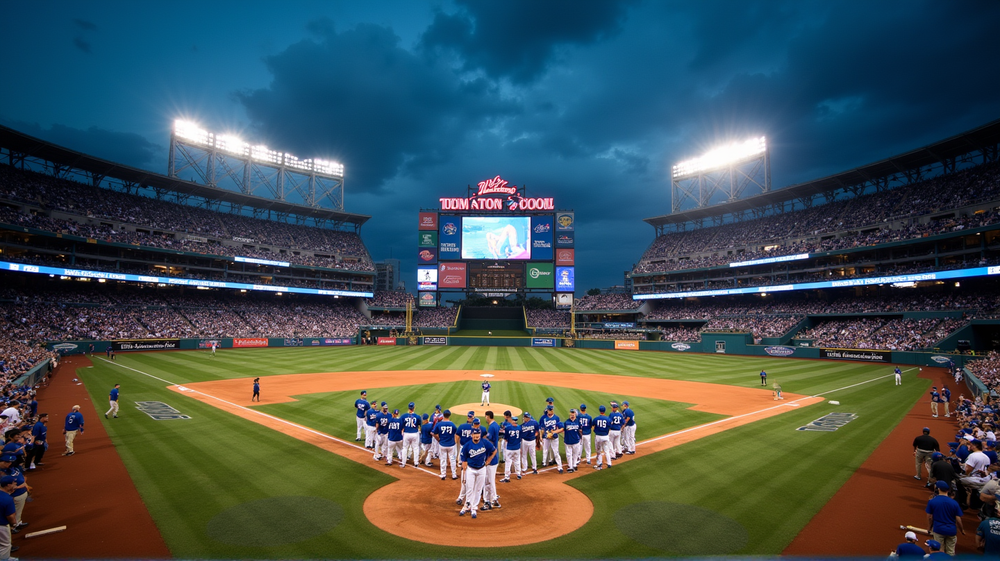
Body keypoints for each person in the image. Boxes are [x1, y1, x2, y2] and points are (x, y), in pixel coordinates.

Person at [457, 427, 497, 519]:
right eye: (474, 435)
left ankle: (474, 507)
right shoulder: (467, 445)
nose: (476, 436)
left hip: (481, 469)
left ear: (480, 435)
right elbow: (463, 460)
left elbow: (494, 450)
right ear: (472, 435)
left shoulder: (485, 442)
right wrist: (464, 473)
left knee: (478, 489)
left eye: (478, 435)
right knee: (469, 488)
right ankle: (466, 506)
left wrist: (489, 459)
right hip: (470, 469)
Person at [926, 480, 965, 556]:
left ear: (938, 489)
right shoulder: (954, 503)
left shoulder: (932, 501)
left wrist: (929, 528)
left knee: (940, 551)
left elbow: (930, 517)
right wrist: (961, 530)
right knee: (950, 552)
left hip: (938, 529)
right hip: (951, 531)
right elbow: (958, 519)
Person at [481, 411, 501, 509]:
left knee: (488, 480)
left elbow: (490, 440)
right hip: (494, 456)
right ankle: (492, 499)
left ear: (488, 416)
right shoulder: (496, 425)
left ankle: (491, 500)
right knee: (489, 480)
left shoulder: (492, 427)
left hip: (491, 457)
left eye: (485, 416)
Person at [434, 410, 458, 480]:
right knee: (452, 459)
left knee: (443, 459)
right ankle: (454, 475)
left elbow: (435, 434)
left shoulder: (439, 424)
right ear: (449, 415)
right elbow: (455, 434)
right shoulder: (452, 424)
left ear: (443, 415)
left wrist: (439, 440)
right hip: (451, 445)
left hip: (442, 445)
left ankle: (443, 474)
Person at [538, 405, 564, 472]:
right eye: (549, 410)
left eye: (551, 410)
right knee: (545, 449)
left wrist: (554, 433)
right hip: (546, 437)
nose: (550, 411)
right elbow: (541, 428)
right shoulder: (543, 418)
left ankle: (560, 466)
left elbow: (559, 427)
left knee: (556, 452)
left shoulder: (556, 418)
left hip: (554, 438)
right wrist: (541, 436)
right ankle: (544, 462)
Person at [500, 414, 522, 482]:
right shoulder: (519, 428)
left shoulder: (508, 428)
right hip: (517, 448)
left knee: (508, 462)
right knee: (517, 461)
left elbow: (506, 438)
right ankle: (518, 474)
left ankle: (507, 477)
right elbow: (520, 438)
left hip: (510, 448)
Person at [0, 475, 16, 561]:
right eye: (13, 483)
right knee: (5, 545)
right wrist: (13, 524)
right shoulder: (7, 499)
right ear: (8, 485)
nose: (15, 484)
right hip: (2, 525)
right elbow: (10, 516)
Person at [400, 402, 421, 468]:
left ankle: (403, 463)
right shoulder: (417, 416)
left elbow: (401, 425)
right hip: (415, 433)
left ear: (408, 408)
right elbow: (420, 425)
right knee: (415, 448)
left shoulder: (403, 416)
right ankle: (416, 463)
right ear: (414, 408)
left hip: (406, 433)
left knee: (405, 448)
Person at [593, 405, 613, 469]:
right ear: (604, 411)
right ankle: (609, 464)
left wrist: (595, 431)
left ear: (599, 411)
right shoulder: (608, 419)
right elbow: (610, 427)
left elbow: (593, 426)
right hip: (605, 436)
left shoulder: (596, 418)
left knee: (599, 451)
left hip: (598, 436)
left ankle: (599, 464)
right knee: (606, 450)